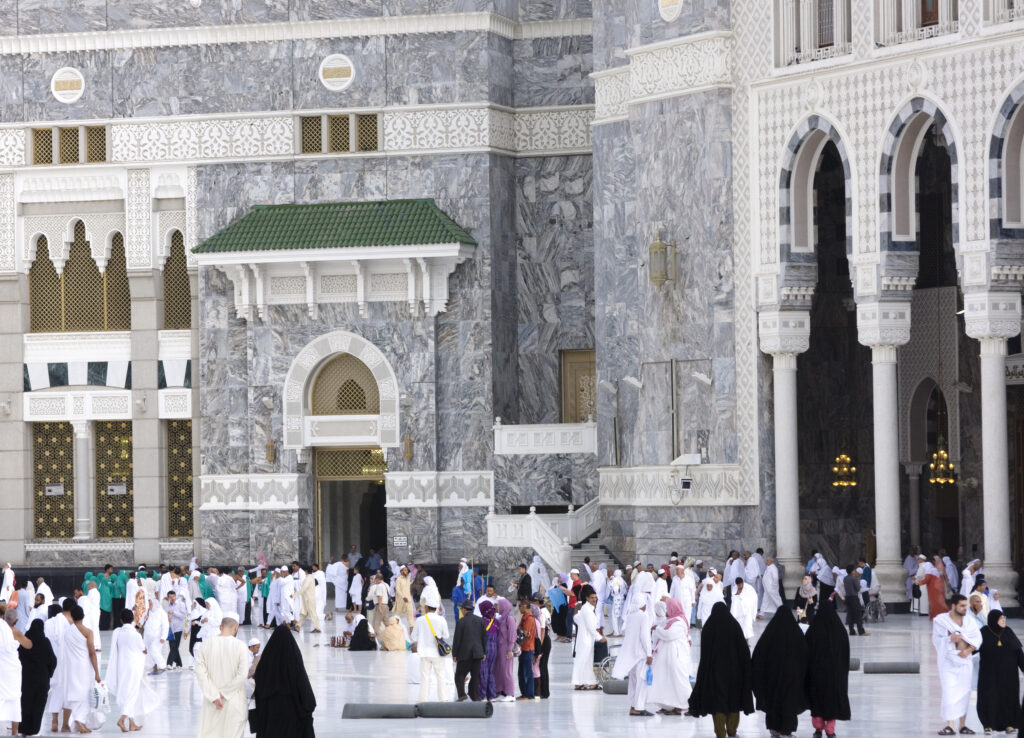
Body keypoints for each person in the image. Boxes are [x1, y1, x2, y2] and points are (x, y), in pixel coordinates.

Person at [689, 602, 754, 738]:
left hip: (715, 672)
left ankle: (720, 733)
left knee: (718, 702)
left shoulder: (709, 626)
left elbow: (705, 654)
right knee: (733, 701)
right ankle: (732, 731)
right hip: (734, 673)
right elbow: (744, 651)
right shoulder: (734, 625)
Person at [752, 608, 808, 737]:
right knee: (789, 703)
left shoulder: (769, 634)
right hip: (792, 679)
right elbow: (805, 656)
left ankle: (774, 729)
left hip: (772, 680)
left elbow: (757, 658)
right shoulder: (797, 635)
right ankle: (786, 731)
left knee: (773, 702)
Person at [252, 624, 316, 738]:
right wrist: (308, 705)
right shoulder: (293, 659)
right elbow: (302, 684)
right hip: (292, 716)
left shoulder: (266, 661)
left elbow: (259, 688)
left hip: (270, 717)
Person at [194, 612, 250, 738]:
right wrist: (224, 693)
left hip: (212, 703)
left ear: (220, 627)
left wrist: (214, 695)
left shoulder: (205, 645)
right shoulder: (241, 646)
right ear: (236, 628)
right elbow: (242, 675)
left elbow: (200, 672)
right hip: (234, 701)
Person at [933, 594, 982, 736]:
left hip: (965, 660)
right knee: (949, 692)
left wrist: (968, 650)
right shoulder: (941, 621)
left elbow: (977, 638)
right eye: (962, 605)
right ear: (953, 606)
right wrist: (950, 638)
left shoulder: (970, 621)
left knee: (964, 693)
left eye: (966, 605)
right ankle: (949, 726)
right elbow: (937, 640)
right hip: (949, 661)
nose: (965, 608)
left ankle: (962, 725)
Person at [805, 597, 851, 738]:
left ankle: (818, 728)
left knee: (817, 700)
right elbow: (845, 653)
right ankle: (830, 730)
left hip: (816, 675)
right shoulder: (840, 631)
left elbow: (805, 652)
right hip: (834, 675)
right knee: (832, 701)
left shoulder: (813, 630)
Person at [611, 570, 653, 716]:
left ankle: (633, 706)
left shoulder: (631, 616)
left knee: (633, 681)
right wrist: (649, 653)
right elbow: (645, 636)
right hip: (641, 654)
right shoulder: (643, 616)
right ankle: (639, 707)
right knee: (642, 681)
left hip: (631, 654)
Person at [975, 609, 1023, 734]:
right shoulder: (984, 632)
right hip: (989, 674)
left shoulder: (1008, 632)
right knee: (989, 697)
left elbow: (1018, 651)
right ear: (994, 620)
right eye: (1001, 618)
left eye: (1004, 618)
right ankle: (988, 724)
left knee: (1008, 697)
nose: (1004, 620)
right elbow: (973, 647)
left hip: (1009, 674)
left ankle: (1009, 724)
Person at [647, 596, 694, 717]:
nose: (666, 609)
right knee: (665, 681)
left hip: (676, 657)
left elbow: (668, 635)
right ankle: (668, 705)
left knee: (678, 681)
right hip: (667, 658)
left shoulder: (679, 622)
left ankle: (685, 705)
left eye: (668, 607)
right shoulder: (670, 620)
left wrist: (657, 629)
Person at [106, 609, 150, 732]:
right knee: (132, 693)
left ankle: (132, 723)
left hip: (121, 665)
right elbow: (144, 650)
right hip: (133, 667)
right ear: (132, 619)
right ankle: (122, 719)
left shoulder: (118, 633)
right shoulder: (136, 635)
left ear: (120, 620)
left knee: (127, 692)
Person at [62, 605, 102, 734]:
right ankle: (79, 719)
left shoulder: (67, 631)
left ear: (72, 616)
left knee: (75, 693)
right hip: (84, 666)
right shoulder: (88, 632)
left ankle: (80, 720)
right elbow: (92, 652)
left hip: (71, 666)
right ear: (83, 616)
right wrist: (96, 671)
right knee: (85, 693)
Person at [411, 592, 452, 702]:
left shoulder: (420, 620)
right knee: (441, 676)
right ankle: (443, 699)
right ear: (436, 608)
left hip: (424, 653)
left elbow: (413, 637)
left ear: (427, 607)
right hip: (438, 653)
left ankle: (423, 699)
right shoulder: (441, 620)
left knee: (425, 677)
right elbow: (446, 635)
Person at [18, 617, 55, 737]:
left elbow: (19, 657)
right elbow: (52, 660)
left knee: (26, 703)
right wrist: (49, 673)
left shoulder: (25, 641)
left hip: (27, 679)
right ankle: (34, 729)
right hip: (42, 680)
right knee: (38, 705)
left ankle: (24, 728)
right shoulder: (45, 642)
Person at [1, 608, 32, 736]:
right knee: (15, 698)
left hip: (2, 668)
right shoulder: (15, 632)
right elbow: (29, 645)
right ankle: (14, 731)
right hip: (12, 670)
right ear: (16, 620)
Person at [452, 599, 486, 702]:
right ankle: (474, 695)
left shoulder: (461, 621)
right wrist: (484, 652)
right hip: (478, 653)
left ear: (464, 609)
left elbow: (457, 639)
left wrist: (455, 654)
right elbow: (484, 637)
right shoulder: (480, 620)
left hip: (464, 653)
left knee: (459, 675)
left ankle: (462, 695)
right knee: (475, 675)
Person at [572, 585, 605, 690]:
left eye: (595, 598)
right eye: (592, 598)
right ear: (587, 598)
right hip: (585, 639)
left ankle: (589, 681)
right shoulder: (586, 609)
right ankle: (577, 682)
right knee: (582, 661)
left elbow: (577, 618)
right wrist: (599, 637)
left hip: (587, 639)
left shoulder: (588, 609)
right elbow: (591, 627)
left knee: (587, 662)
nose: (594, 600)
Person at [515, 599, 537, 701]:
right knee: (521, 672)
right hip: (524, 648)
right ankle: (524, 693)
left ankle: (529, 694)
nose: (519, 608)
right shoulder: (524, 618)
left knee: (527, 672)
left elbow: (526, 633)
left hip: (527, 648)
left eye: (521, 606)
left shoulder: (529, 619)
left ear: (526, 607)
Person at [143, 596, 169, 674]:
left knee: (154, 650)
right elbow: (141, 624)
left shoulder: (161, 612)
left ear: (154, 604)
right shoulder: (147, 611)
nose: (149, 606)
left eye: (151, 604)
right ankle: (153, 667)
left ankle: (162, 666)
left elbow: (165, 625)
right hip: (148, 636)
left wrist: (163, 636)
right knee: (150, 653)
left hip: (158, 637)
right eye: (148, 604)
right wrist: (145, 619)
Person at [842, 564, 867, 637]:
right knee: (858, 614)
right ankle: (861, 631)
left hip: (848, 597)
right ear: (852, 571)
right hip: (854, 597)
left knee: (850, 614)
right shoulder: (854, 578)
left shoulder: (845, 578)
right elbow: (858, 588)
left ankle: (851, 631)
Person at [730, 577, 757, 643]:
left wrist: (743, 600)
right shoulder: (734, 588)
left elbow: (753, 599)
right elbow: (733, 598)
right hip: (737, 611)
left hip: (747, 611)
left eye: (740, 585)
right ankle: (738, 642)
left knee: (747, 626)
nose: (739, 586)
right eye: (737, 585)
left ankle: (746, 642)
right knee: (737, 626)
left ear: (742, 583)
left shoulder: (749, 588)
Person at [166, 590, 188, 669]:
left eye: (173, 596)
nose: (172, 598)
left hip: (178, 628)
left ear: (175, 596)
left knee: (175, 646)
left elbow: (183, 616)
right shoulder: (167, 605)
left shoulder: (181, 604)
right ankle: (179, 663)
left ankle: (169, 663)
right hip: (170, 628)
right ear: (168, 597)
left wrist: (174, 612)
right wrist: (167, 618)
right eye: (170, 597)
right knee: (172, 646)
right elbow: (166, 614)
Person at [367, 574, 390, 641]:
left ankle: (373, 639)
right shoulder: (386, 585)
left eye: (375, 579)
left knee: (376, 622)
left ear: (377, 579)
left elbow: (380, 596)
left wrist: (379, 606)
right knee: (386, 622)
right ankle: (390, 634)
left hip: (380, 605)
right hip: (386, 605)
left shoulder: (379, 586)